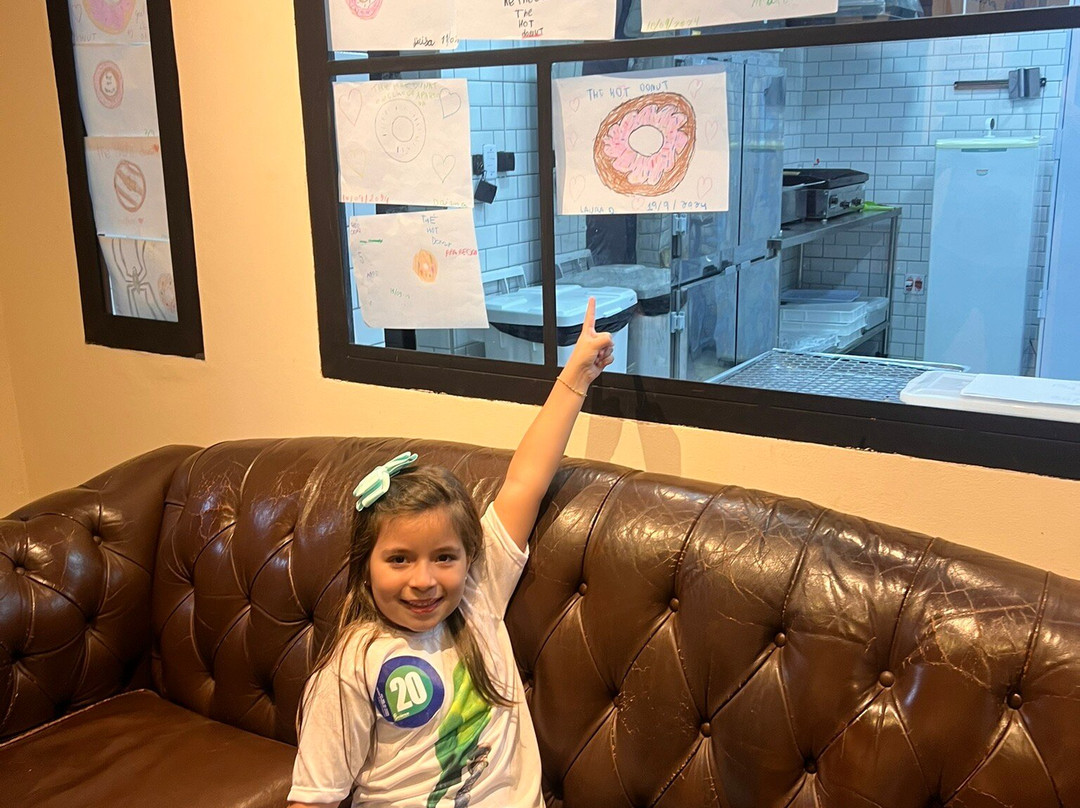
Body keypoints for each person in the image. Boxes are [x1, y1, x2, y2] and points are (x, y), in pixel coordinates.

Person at [287, 299, 615, 808]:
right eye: (399, 559)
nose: (424, 580)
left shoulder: (479, 592)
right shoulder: (353, 665)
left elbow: (525, 482)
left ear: (469, 558)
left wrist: (575, 378)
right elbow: (313, 798)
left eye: (444, 558)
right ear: (366, 565)